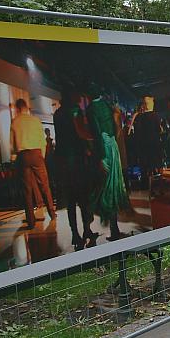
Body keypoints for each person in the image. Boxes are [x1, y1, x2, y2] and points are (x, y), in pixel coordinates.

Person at [53, 91, 97, 250]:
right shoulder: (75, 111)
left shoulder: (57, 113)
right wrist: (94, 139)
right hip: (77, 162)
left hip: (63, 162)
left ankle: (75, 234)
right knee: (84, 198)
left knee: (70, 200)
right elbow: (80, 134)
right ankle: (87, 230)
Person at [87, 85, 130, 241]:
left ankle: (104, 226)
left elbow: (97, 135)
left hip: (104, 148)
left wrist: (100, 157)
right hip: (113, 147)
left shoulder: (91, 109)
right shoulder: (106, 104)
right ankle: (114, 228)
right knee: (113, 186)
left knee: (104, 190)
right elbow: (115, 128)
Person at [10, 98, 56, 229]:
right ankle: (52, 214)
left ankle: (31, 221)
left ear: (17, 109)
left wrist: (14, 159)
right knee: (44, 185)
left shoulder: (15, 121)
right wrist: (41, 155)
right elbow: (42, 140)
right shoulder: (35, 120)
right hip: (36, 153)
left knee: (27, 189)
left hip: (23, 155)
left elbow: (12, 145)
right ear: (26, 108)